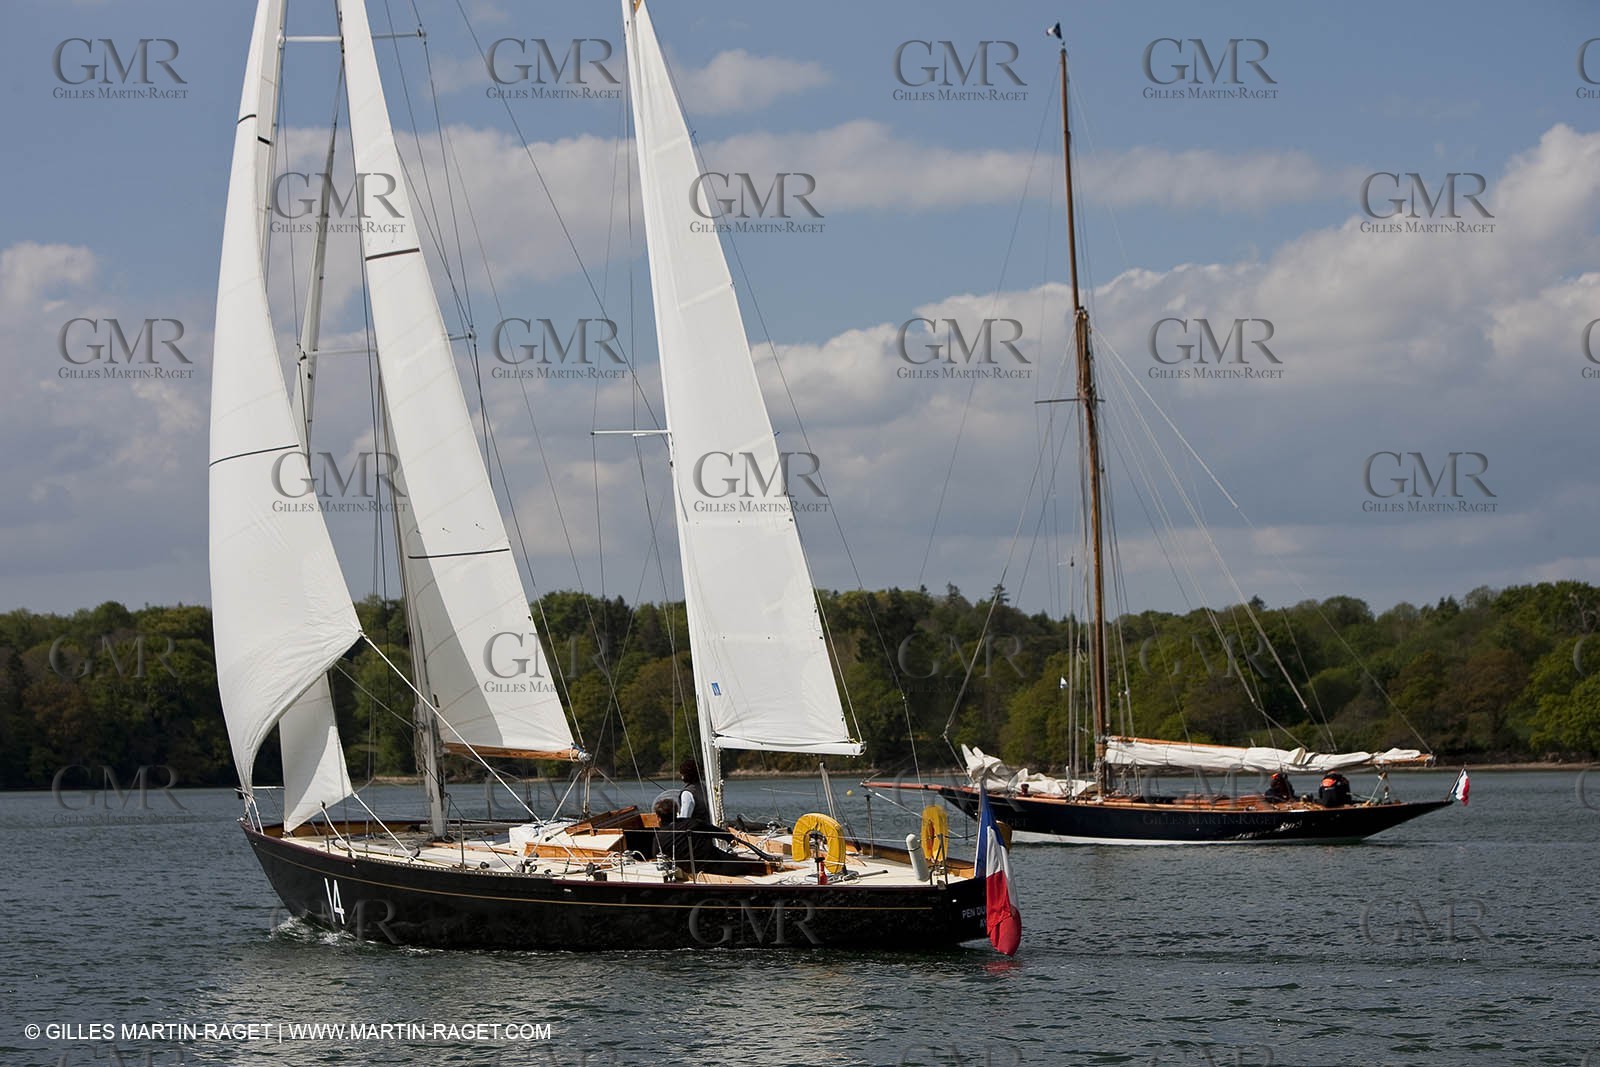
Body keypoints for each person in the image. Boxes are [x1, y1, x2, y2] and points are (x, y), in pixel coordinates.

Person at [651, 797, 765, 878]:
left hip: (690, 870)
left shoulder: (658, 839)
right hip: (714, 865)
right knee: (745, 868)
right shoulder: (693, 824)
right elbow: (720, 833)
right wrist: (731, 839)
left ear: (658, 818)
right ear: (677, 812)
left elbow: (656, 856)